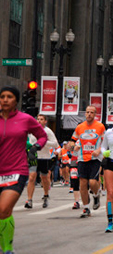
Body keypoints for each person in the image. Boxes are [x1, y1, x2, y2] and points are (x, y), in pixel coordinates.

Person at [0, 86, 48, 254]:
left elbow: (43, 135)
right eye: (2, 97)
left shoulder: (25, 119)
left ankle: (7, 248)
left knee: (4, 209)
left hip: (16, 170)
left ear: (16, 101)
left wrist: (35, 147)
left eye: (9, 97)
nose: (5, 100)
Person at [71, 106, 105, 218]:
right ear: (85, 114)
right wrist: (73, 147)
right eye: (87, 112)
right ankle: (86, 208)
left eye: (91, 112)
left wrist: (98, 150)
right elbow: (73, 141)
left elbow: (105, 143)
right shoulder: (80, 127)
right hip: (81, 158)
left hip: (95, 158)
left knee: (92, 182)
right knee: (83, 184)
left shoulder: (100, 127)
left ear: (95, 114)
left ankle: (96, 195)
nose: (89, 114)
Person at [24, 114, 59, 209]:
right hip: (34, 156)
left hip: (45, 157)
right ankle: (29, 200)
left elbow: (55, 144)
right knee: (32, 177)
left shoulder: (48, 131)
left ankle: (46, 195)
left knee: (44, 177)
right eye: (38, 119)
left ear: (45, 121)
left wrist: (43, 142)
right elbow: (29, 142)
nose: (39, 121)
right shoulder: (32, 131)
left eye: (41, 119)